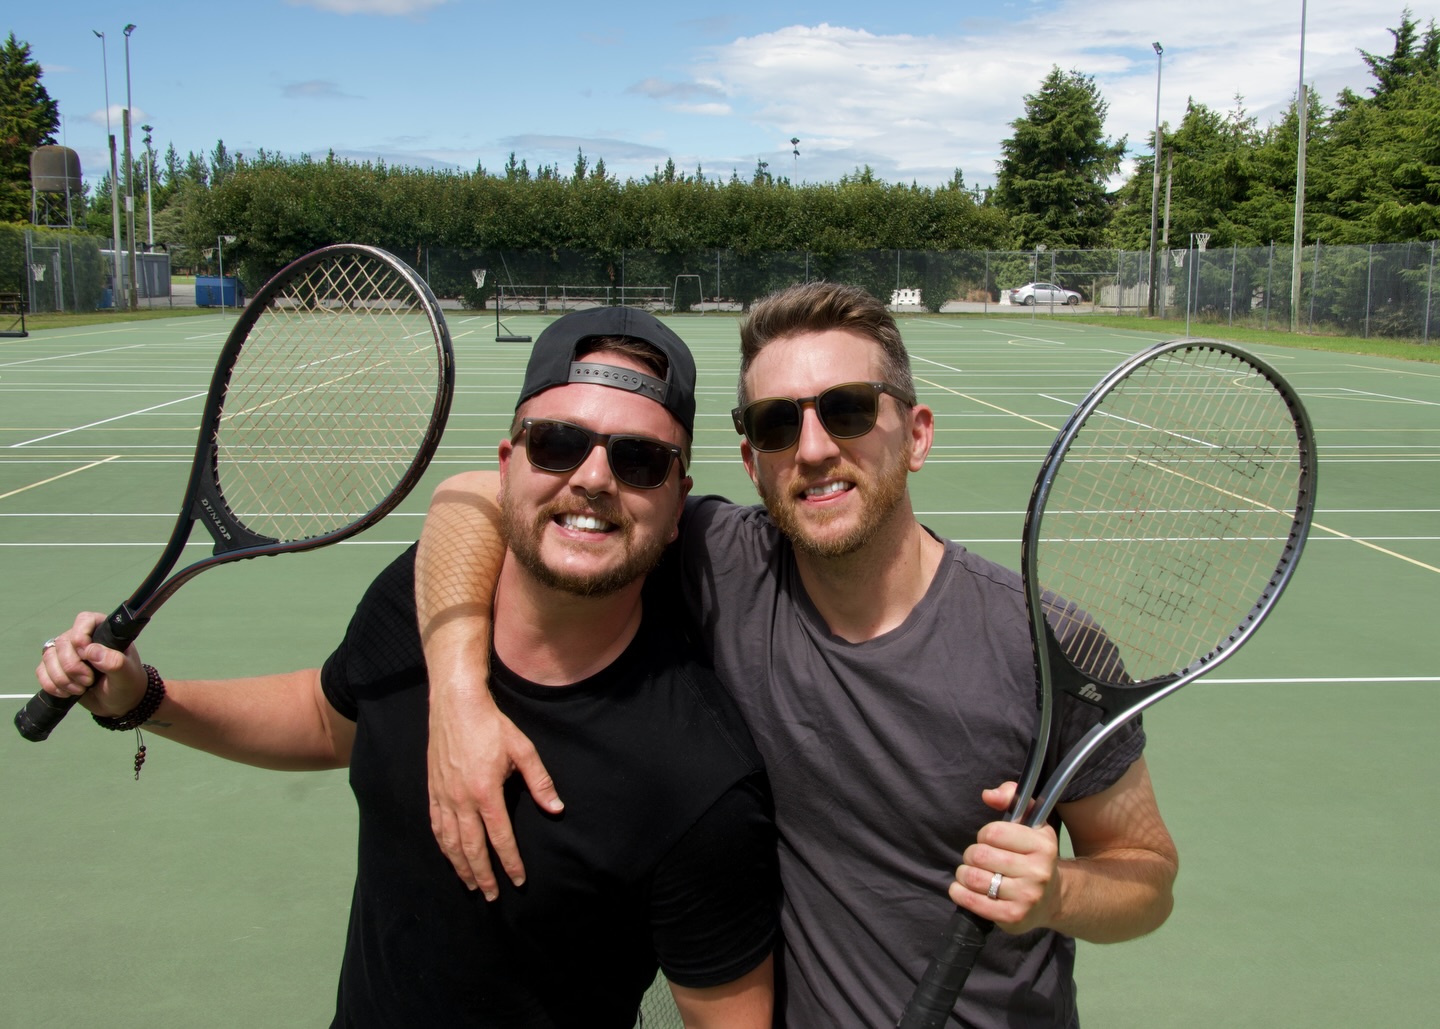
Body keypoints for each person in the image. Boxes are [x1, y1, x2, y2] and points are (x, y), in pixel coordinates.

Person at [416, 283, 1179, 1028]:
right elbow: (481, 495)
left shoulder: (1046, 643)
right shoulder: (719, 563)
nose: (813, 449)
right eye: (778, 424)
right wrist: (456, 691)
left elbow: (1146, 872)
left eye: (846, 409)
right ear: (751, 460)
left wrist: (1057, 894)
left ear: (916, 434)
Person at [36, 306, 781, 1029]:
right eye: (557, 441)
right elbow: (331, 721)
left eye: (640, 458)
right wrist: (143, 697)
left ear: (679, 500)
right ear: (506, 462)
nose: (593, 477)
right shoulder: (418, 596)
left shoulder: (698, 780)